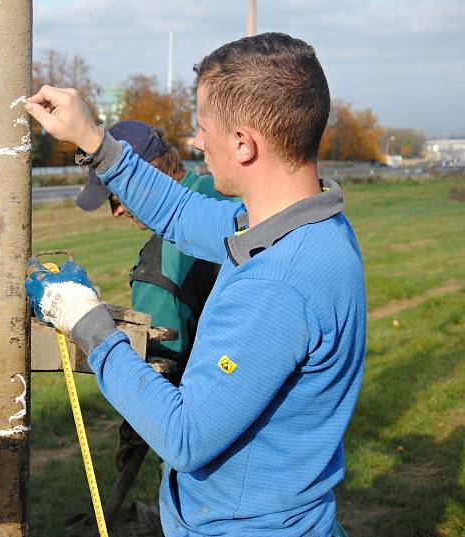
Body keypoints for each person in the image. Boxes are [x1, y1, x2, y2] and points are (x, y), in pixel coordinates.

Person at [25, 32, 363, 537]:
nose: (196, 142)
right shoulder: (301, 224)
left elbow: (185, 435)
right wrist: (93, 140)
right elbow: (180, 212)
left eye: (204, 129)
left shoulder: (279, 284)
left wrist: (88, 324)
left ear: (244, 143)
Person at [76, 120, 234, 528]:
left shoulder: (159, 263)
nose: (117, 211)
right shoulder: (229, 200)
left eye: (116, 194)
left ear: (145, 174)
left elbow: (155, 369)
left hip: (208, 444)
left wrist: (132, 429)